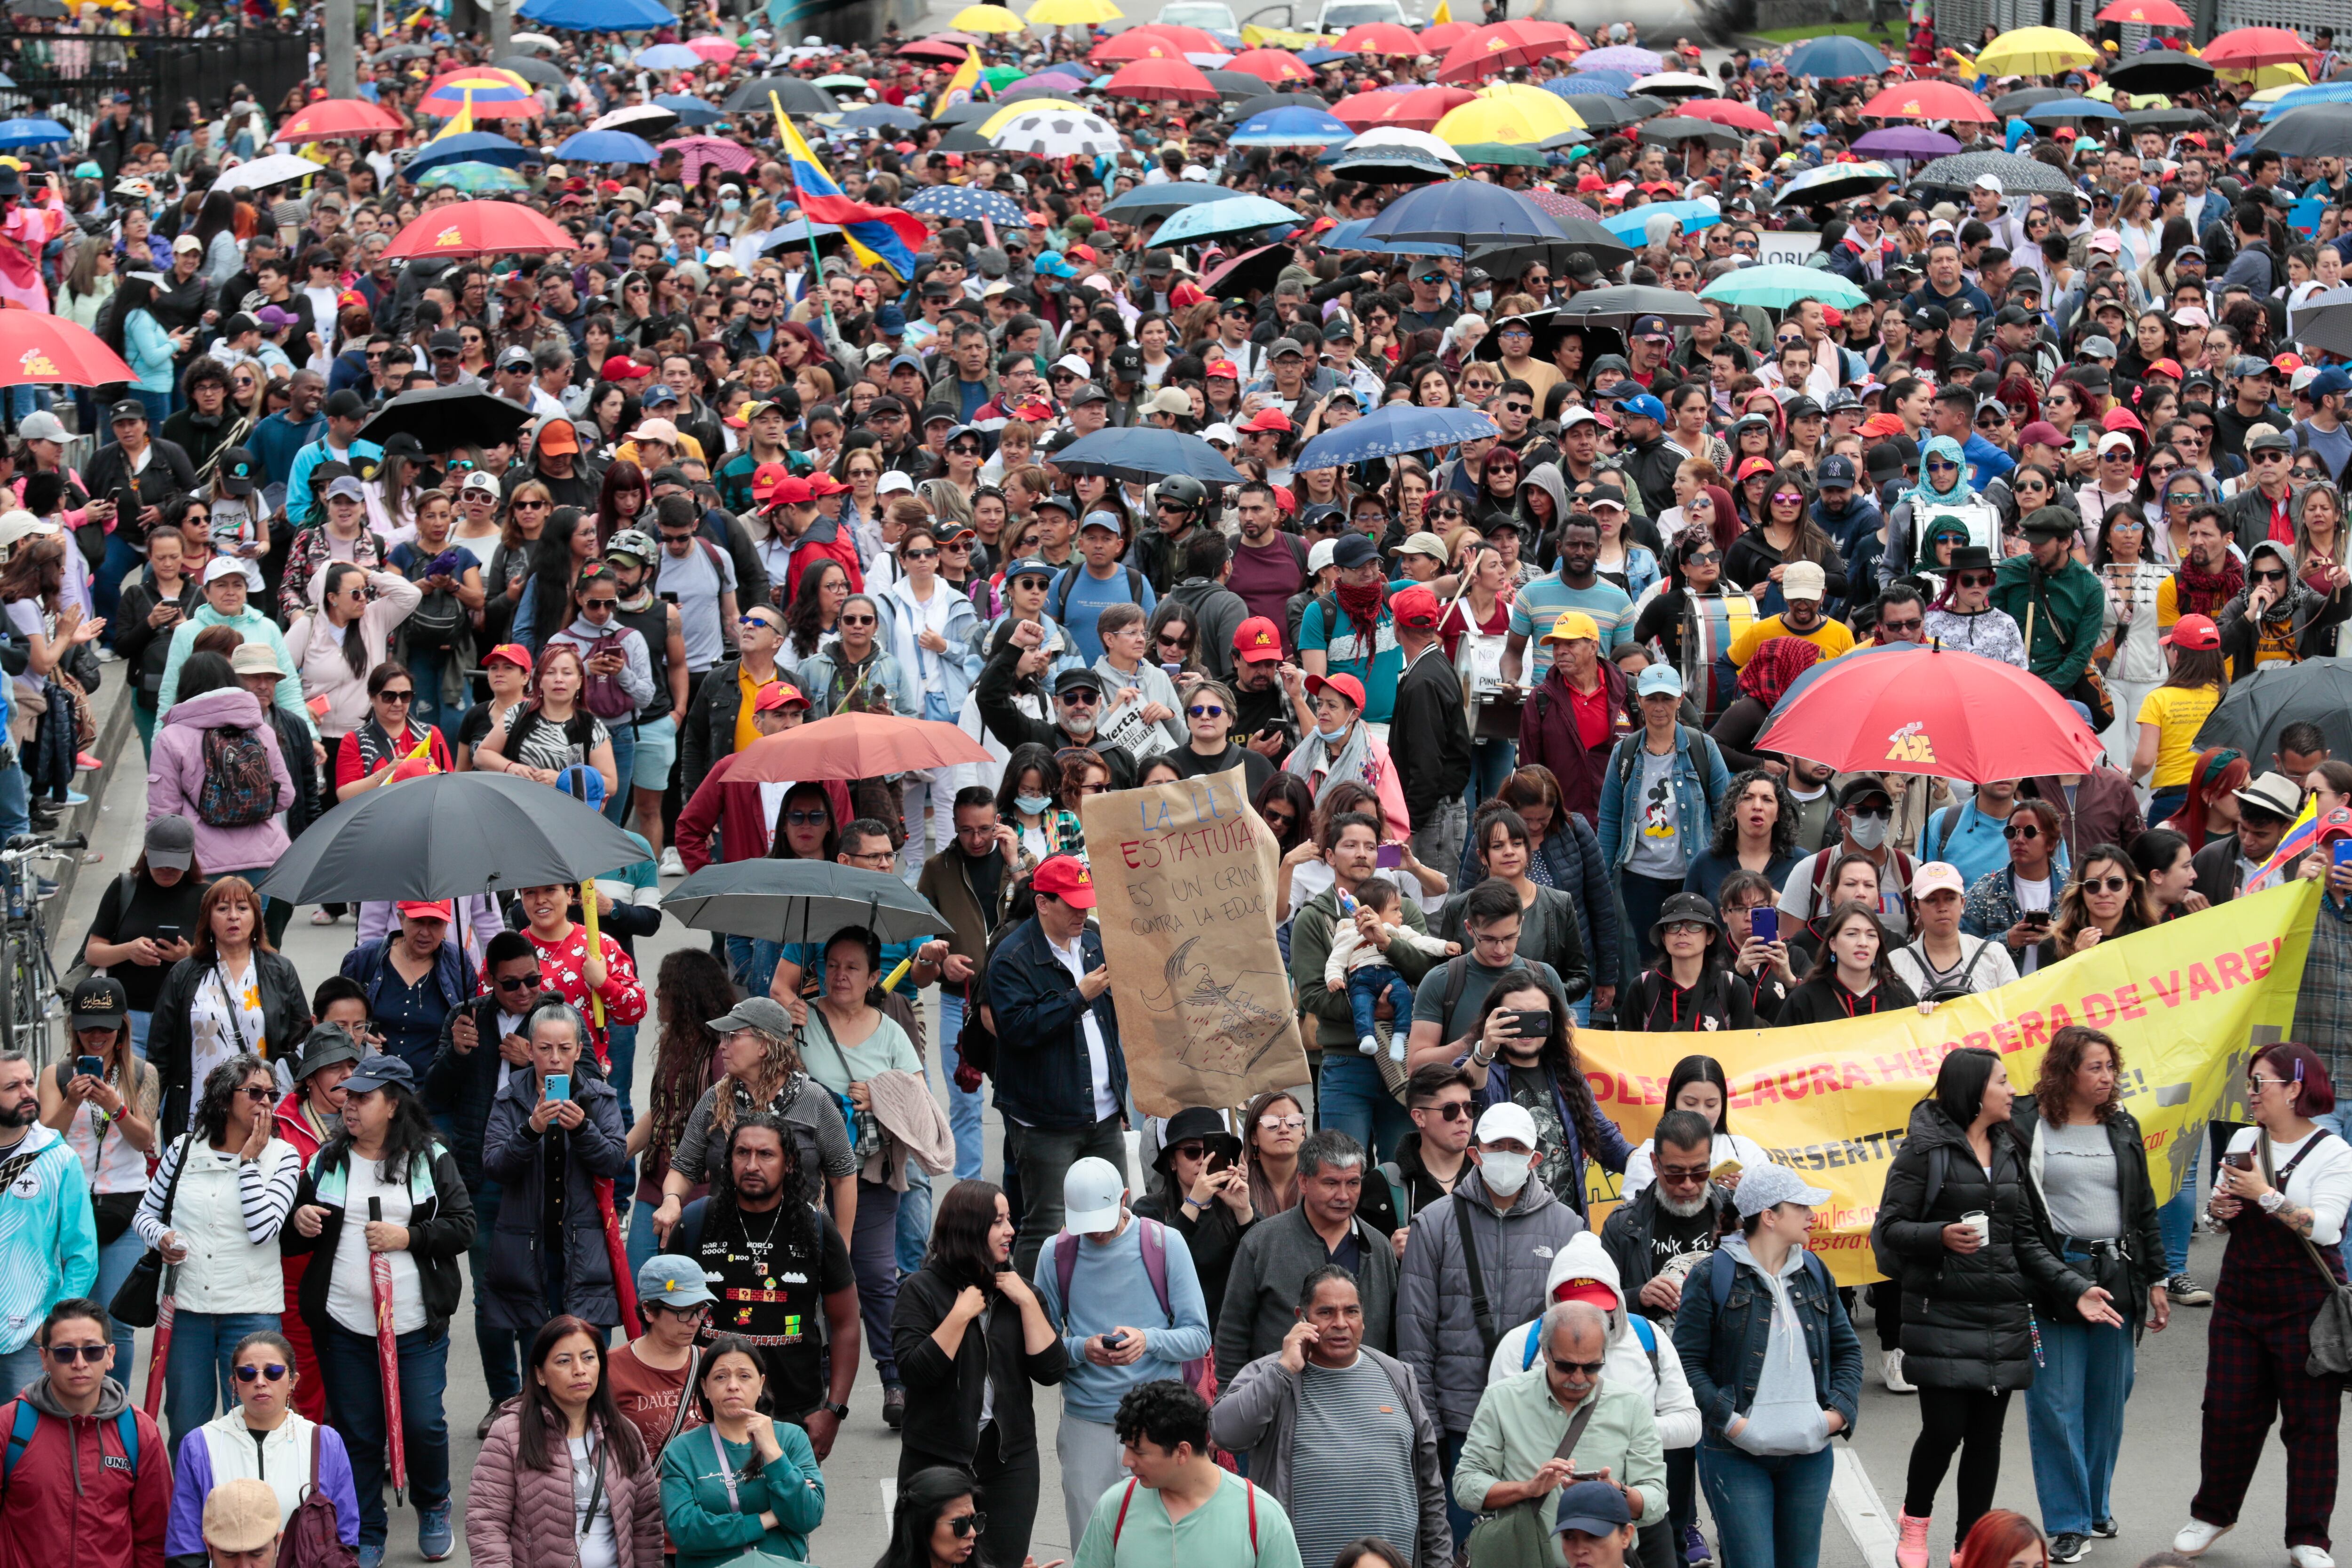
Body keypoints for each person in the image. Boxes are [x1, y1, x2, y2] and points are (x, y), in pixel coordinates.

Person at [1875, 1049, 2114, 1568]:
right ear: (1974, 1091)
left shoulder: (2010, 1147)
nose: (2012, 1091)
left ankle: (1969, 1545)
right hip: (1939, 1312)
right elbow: (1889, 1229)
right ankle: (1915, 1523)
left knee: (1986, 1438)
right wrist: (1940, 1235)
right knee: (1944, 1431)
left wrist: (2074, 1288)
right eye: (2002, 1082)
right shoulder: (1924, 1150)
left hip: (2002, 1312)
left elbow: (2024, 1239)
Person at [282, 1054, 474, 1566]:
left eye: (363, 1097)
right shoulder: (326, 1161)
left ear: (393, 1105)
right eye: (347, 1096)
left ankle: (433, 1503)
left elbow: (463, 1226)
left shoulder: (430, 1158)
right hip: (343, 1325)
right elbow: (291, 1237)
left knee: (423, 1424)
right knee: (358, 1431)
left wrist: (406, 1237)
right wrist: (300, 1220)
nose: (349, 1105)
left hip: (415, 1325)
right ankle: (367, 1526)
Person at [2175, 1041, 2352, 1568]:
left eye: (2259, 1083)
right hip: (2240, 1297)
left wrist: (2264, 1193)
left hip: (2306, 1303)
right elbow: (2217, 1218)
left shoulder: (2333, 1152)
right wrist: (2218, 1209)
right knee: (2226, 1412)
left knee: (2310, 1423)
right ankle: (2213, 1513)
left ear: (2294, 1088)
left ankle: (2308, 1536)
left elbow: (2327, 1228)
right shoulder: (2243, 1139)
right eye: (2248, 1082)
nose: (2250, 1093)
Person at [1398, 1101, 1591, 1553]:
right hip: (1459, 1419)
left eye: (1516, 1148)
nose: (1506, 1155)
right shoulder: (1434, 1223)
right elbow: (1415, 1335)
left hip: (1540, 1419)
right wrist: (1428, 1425)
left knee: (1541, 1547)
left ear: (1535, 1158)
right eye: (1496, 1146)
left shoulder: (1569, 1228)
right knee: (1464, 1547)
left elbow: (1581, 1328)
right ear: (1475, 1153)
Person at [2012, 1027, 2169, 1562]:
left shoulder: (2122, 1124)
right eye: (2094, 1067)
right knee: (2055, 1404)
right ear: (2065, 1072)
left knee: (2108, 1400)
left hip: (2117, 1275)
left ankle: (2095, 1505)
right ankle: (2069, 1521)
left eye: (2110, 1067)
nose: (2107, 1077)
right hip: (2054, 1276)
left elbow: (2143, 1206)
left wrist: (2158, 1278)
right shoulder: (2027, 1123)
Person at [1670, 1163, 1863, 1568]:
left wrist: (1835, 1415)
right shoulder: (1711, 1275)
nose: (1812, 1215)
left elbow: (1848, 1350)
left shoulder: (1815, 1271)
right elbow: (1687, 1362)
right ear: (1770, 1216)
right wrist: (1735, 1424)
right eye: (1801, 1206)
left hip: (1810, 1457)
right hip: (1735, 1456)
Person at [1213, 1264, 1454, 1568]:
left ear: (1363, 1318)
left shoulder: (1398, 1376)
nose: (1341, 1323)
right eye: (1326, 1312)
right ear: (1302, 1317)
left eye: (1351, 1312)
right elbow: (1226, 1433)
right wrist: (1284, 1369)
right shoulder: (1272, 1373)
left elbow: (1431, 1492)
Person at [1034, 1155, 1214, 1551]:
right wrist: (1083, 1348)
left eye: (1102, 1221)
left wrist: (1148, 1340)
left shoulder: (1165, 1243)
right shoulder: (1056, 1253)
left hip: (1158, 1423)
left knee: (1163, 1546)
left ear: (1125, 1199)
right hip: (1087, 1423)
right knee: (1092, 1546)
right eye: (1086, 1224)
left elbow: (1199, 1336)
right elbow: (1041, 1348)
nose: (1095, 1233)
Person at [891, 1178, 1069, 1568]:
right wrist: (959, 1315)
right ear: (969, 1229)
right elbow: (916, 1372)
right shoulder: (920, 1290)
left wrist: (1028, 1303)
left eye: (1009, 1219)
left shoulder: (1019, 1291)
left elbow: (1051, 1369)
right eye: (998, 1221)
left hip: (1010, 1461)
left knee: (1004, 1561)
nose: (1011, 1230)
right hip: (936, 1461)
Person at [133, 1054, 300, 1447]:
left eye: (271, 1094)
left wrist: (248, 1162)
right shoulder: (182, 1149)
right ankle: (192, 1489)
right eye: (255, 1092)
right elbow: (144, 1215)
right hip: (186, 1309)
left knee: (255, 1427)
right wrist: (163, 1237)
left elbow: (263, 1230)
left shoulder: (284, 1156)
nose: (265, 1102)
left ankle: (249, 1490)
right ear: (225, 1097)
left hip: (252, 1310)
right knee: (186, 1426)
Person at [988, 855, 1128, 1276]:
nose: (1082, 913)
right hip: (1045, 1120)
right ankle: (1036, 1309)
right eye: (1073, 904)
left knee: (1116, 1215)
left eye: (1086, 903)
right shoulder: (1011, 957)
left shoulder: (1093, 942)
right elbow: (1017, 1029)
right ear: (1043, 903)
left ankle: (1109, 1297)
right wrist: (1077, 997)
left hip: (1103, 1113)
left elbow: (1111, 1023)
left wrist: (1120, 1092)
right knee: (1048, 1224)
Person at [1453, 1299, 1667, 1548]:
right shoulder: (1501, 1399)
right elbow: (1466, 1484)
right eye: (1567, 1366)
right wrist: (1528, 1489)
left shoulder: (1631, 1405)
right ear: (1546, 1353)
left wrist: (1615, 1493)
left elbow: (1656, 1499)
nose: (1578, 1378)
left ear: (1604, 1355)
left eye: (1592, 1367)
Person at [479, 1001, 630, 1338]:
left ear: (579, 1051)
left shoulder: (600, 1098)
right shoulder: (509, 1099)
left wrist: (583, 1129)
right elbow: (495, 1166)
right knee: (537, 1355)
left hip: (584, 1247)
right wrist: (531, 1129)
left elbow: (614, 1161)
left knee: (589, 1354)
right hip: (528, 1247)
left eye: (564, 1048)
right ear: (530, 1051)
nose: (555, 1059)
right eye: (545, 1048)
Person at [466, 1314, 665, 1568]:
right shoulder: (509, 1435)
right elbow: (487, 1526)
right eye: (564, 1361)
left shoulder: (624, 1434)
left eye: (589, 1358)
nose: (580, 1370)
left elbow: (646, 1525)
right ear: (540, 1375)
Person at [36, 978, 158, 1377]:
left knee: (116, 1323)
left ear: (122, 1026)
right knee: (64, 1318)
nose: (97, 1036)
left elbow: (145, 1141)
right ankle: (66, 1399)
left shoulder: (142, 1073)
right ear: (74, 1027)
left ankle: (113, 1403)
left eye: (106, 1026)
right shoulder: (56, 1074)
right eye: (89, 1027)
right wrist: (72, 1101)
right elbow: (43, 1142)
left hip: (124, 1205)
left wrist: (116, 1107)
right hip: (68, 1208)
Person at [162, 1328, 360, 1566]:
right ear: (234, 1383)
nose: (260, 1382)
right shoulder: (200, 1444)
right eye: (247, 1373)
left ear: (293, 1381)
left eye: (273, 1372)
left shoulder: (325, 1442)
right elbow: (185, 1544)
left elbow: (345, 1537)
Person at [1217, 1127, 1397, 1381]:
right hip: (1282, 1393)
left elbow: (1395, 1335)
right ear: (1303, 1182)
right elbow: (1233, 1332)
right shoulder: (1262, 1242)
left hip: (1362, 1394)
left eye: (1353, 1183)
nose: (1343, 1196)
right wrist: (1232, 1394)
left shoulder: (1378, 1247)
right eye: (1331, 1183)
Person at [0, 1299, 170, 1568]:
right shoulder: (9, 1426)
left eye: (92, 1351)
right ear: (44, 1358)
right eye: (64, 1353)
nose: (79, 1363)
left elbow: (155, 1538)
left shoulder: (140, 1432)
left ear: (111, 1355)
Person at [1070, 1380, 1304, 1568]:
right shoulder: (1117, 1505)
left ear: (1182, 1452)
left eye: (1139, 1452)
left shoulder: (1261, 1516)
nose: (1126, 1461)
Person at [145, 877, 309, 1137]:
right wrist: (147, 1117)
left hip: (262, 1112)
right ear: (208, 919)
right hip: (195, 1112)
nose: (233, 916)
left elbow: (301, 1042)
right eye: (223, 909)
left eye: (242, 908)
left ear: (256, 917)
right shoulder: (184, 974)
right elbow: (159, 1054)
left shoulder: (280, 970)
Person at [655, 1334, 828, 1568]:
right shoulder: (682, 1450)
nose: (733, 1386)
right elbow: (686, 1532)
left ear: (761, 1384)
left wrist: (774, 1454)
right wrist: (768, 1519)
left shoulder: (791, 1438)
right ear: (705, 1387)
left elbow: (807, 1517)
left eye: (744, 1376)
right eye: (721, 1377)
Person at [1598, 666, 1733, 959]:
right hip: (1640, 879)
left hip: (1693, 874)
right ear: (1639, 700)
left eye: (1667, 698)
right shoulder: (1624, 752)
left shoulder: (1704, 748)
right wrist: (1603, 879)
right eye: (1652, 698)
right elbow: (1609, 819)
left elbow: (1726, 813)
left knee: (1699, 955)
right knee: (1651, 959)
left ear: (1680, 699)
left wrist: (1723, 871)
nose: (1659, 706)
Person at [79, 813, 207, 1060]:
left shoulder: (205, 896)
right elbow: (93, 952)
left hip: (185, 1018)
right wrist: (129, 950)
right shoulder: (124, 888)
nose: (167, 870)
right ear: (147, 851)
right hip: (127, 1017)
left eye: (175, 864)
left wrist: (187, 955)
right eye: (161, 862)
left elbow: (224, 959)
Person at [1132, 1106, 1254, 1322]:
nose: (1204, 1161)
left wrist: (1244, 1211)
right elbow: (1152, 1263)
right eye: (1192, 1152)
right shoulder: (1150, 1209)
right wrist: (1194, 1203)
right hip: (1173, 1331)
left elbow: (1262, 1263)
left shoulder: (1234, 1204)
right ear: (1172, 1161)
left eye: (1213, 1151)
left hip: (1227, 1330)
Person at [1392, 584, 1475, 878]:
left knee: (1434, 903)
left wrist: (1410, 826)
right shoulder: (1433, 664)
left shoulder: (1423, 681)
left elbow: (1427, 765)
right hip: (1436, 812)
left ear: (1397, 626)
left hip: (1433, 817)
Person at [605, 1254, 714, 1460]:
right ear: (648, 1310)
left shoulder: (713, 1363)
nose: (694, 1322)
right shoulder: (610, 1368)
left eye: (701, 1310)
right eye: (683, 1312)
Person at [1616, 892, 1763, 1032]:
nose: (1682, 932)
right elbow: (1625, 1046)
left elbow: (1745, 1047)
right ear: (1664, 938)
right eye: (1673, 926)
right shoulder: (1642, 987)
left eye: (1694, 926)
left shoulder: (1732, 987)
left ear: (1710, 937)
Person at [2132, 614, 2228, 827]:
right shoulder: (2227, 695)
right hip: (2218, 799)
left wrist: (2130, 778)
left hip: (2172, 801)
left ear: (2176, 655)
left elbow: (2145, 761)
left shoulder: (2158, 698)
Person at [1892, 863, 2020, 1006]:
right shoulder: (1896, 963)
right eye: (1931, 900)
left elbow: (2016, 1009)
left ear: (1963, 903)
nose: (1942, 908)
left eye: (1950, 899)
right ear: (1916, 907)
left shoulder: (1994, 955)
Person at [1778, 902, 1920, 1025]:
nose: (1863, 943)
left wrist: (1926, 1013)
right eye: (1852, 934)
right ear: (1833, 943)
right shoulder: (1806, 998)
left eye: (1871, 935)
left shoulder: (1899, 993)